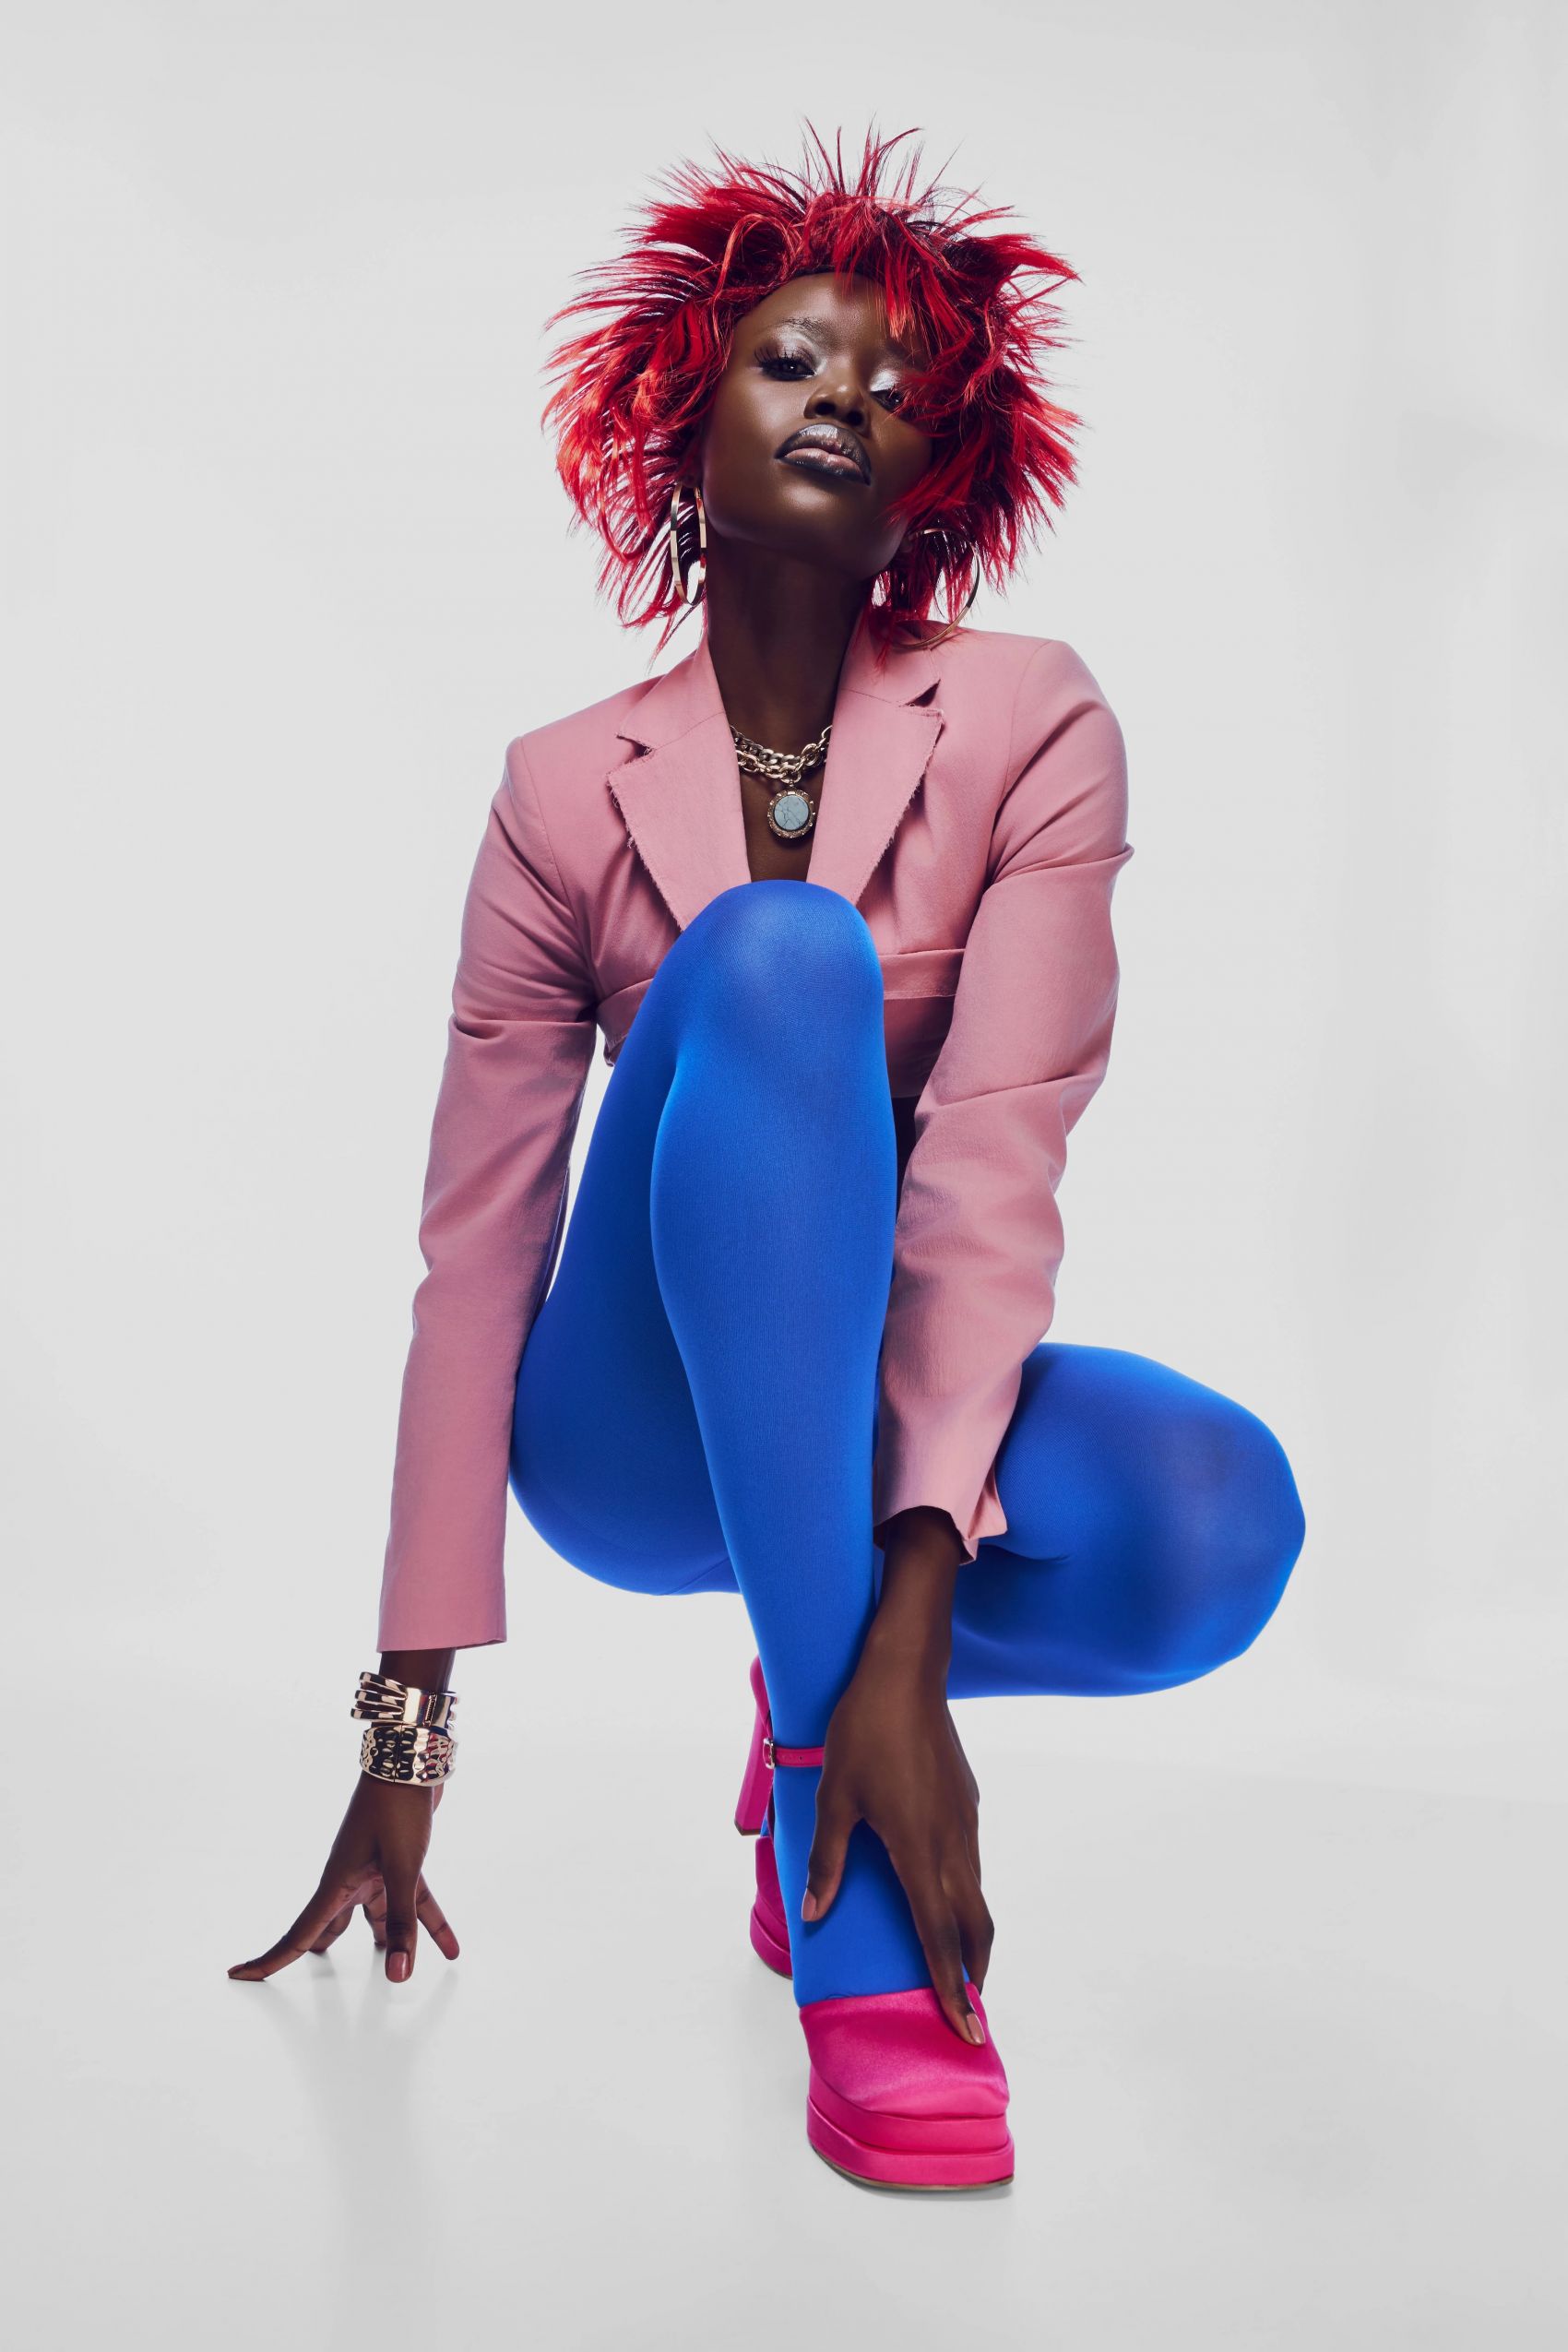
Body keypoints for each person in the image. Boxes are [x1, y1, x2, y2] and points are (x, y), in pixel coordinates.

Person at [229, 124, 1307, 2192]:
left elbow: (996, 1154)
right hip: (638, 1440)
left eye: (899, 388)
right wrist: (406, 1729)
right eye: (792, 361)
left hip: (893, 1397)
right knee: (782, 953)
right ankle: (854, 1902)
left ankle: (815, 1685)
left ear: (941, 474)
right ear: (683, 408)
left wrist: (912, 1617)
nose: (844, 400)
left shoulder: (1032, 723)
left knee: (1207, 1520)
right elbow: (479, 1251)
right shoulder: (561, 791)